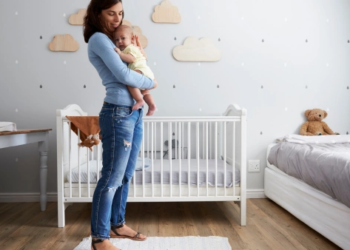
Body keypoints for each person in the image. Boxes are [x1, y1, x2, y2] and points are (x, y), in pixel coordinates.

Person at [83, 0, 157, 249]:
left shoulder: (116, 39)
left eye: (121, 13)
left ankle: (117, 224)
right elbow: (124, 76)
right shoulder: (99, 40)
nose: (117, 18)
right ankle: (99, 237)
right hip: (117, 114)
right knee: (111, 177)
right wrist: (151, 83)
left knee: (125, 175)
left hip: (133, 113)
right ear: (97, 13)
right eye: (111, 13)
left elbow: (135, 62)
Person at [114, 25, 156, 116]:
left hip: (140, 69)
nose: (120, 41)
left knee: (130, 81)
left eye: (123, 38)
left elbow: (131, 59)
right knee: (145, 91)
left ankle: (139, 100)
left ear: (131, 39)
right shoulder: (133, 48)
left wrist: (120, 54)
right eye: (117, 40)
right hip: (146, 71)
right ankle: (151, 105)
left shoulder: (130, 48)